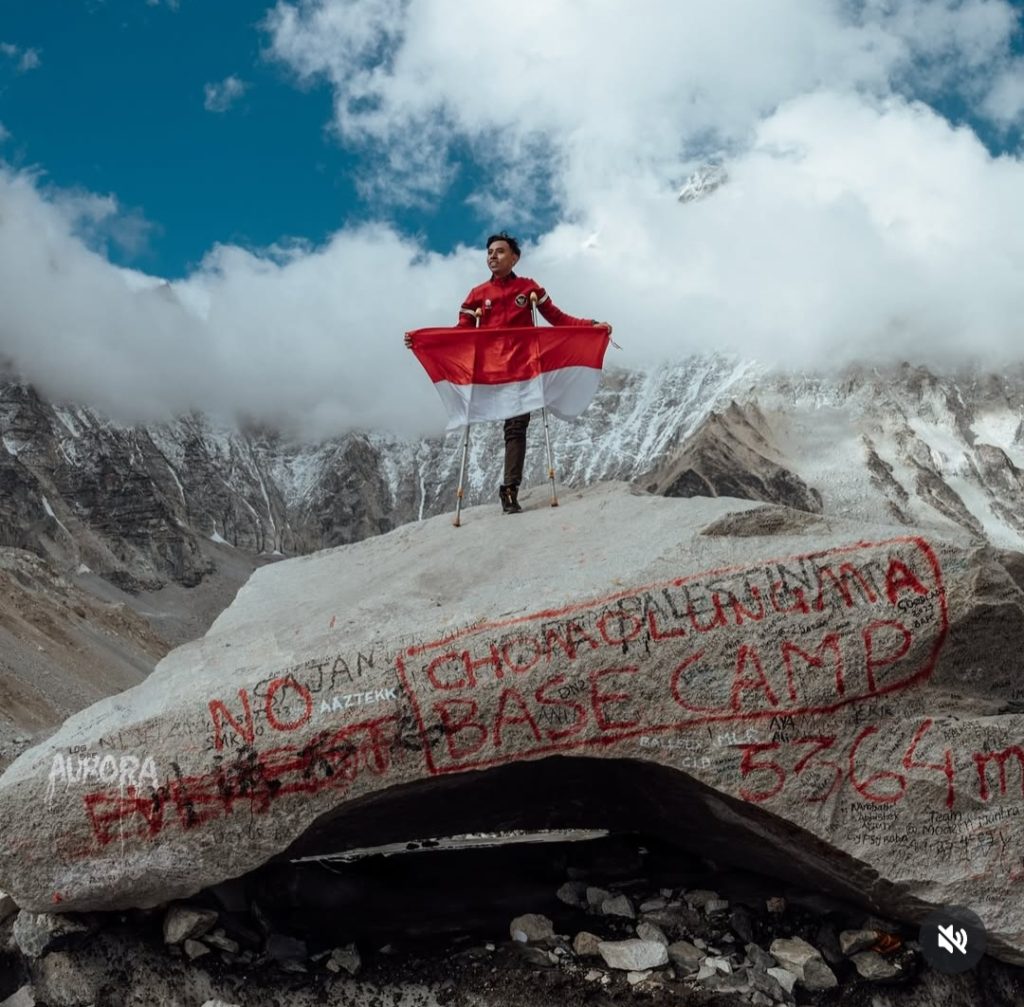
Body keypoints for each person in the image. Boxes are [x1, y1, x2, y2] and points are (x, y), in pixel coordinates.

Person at [405, 232, 612, 514]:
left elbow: (557, 318)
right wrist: (426, 340)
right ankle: (509, 488)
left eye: (500, 251)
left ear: (514, 258)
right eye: (490, 252)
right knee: (506, 426)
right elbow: (461, 333)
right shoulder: (477, 295)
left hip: (524, 368)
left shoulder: (528, 288)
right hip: (490, 372)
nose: (493, 256)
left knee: (516, 426)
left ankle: (510, 489)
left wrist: (591, 326)